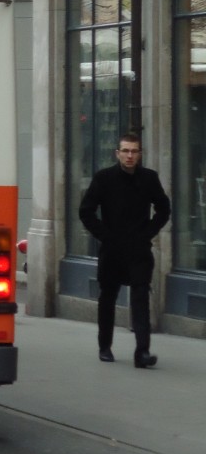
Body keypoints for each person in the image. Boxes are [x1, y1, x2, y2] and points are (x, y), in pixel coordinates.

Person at [78, 132, 171, 369]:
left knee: (141, 298)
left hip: (139, 249)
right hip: (112, 249)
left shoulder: (149, 178)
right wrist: (105, 236)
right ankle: (104, 346)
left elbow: (163, 208)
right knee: (107, 297)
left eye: (134, 151)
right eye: (126, 151)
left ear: (140, 154)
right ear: (117, 153)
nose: (130, 156)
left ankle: (142, 352)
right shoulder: (104, 178)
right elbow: (86, 211)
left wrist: (147, 233)